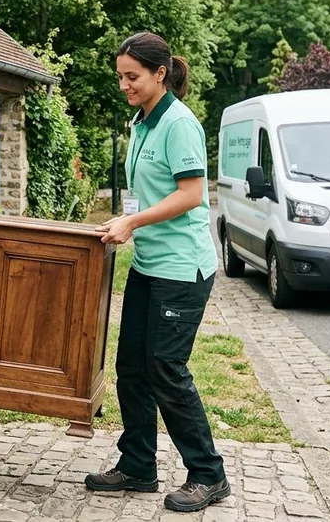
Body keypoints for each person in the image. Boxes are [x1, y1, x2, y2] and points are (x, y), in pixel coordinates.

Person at [86, 31, 229, 512]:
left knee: (166, 368)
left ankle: (209, 474)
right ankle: (138, 465)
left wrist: (133, 221)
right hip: (149, 264)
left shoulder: (179, 123)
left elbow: (191, 194)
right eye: (120, 77)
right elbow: (146, 191)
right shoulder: (142, 121)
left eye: (132, 76)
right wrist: (125, 219)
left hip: (182, 268)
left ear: (160, 73)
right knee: (131, 366)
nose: (124, 85)